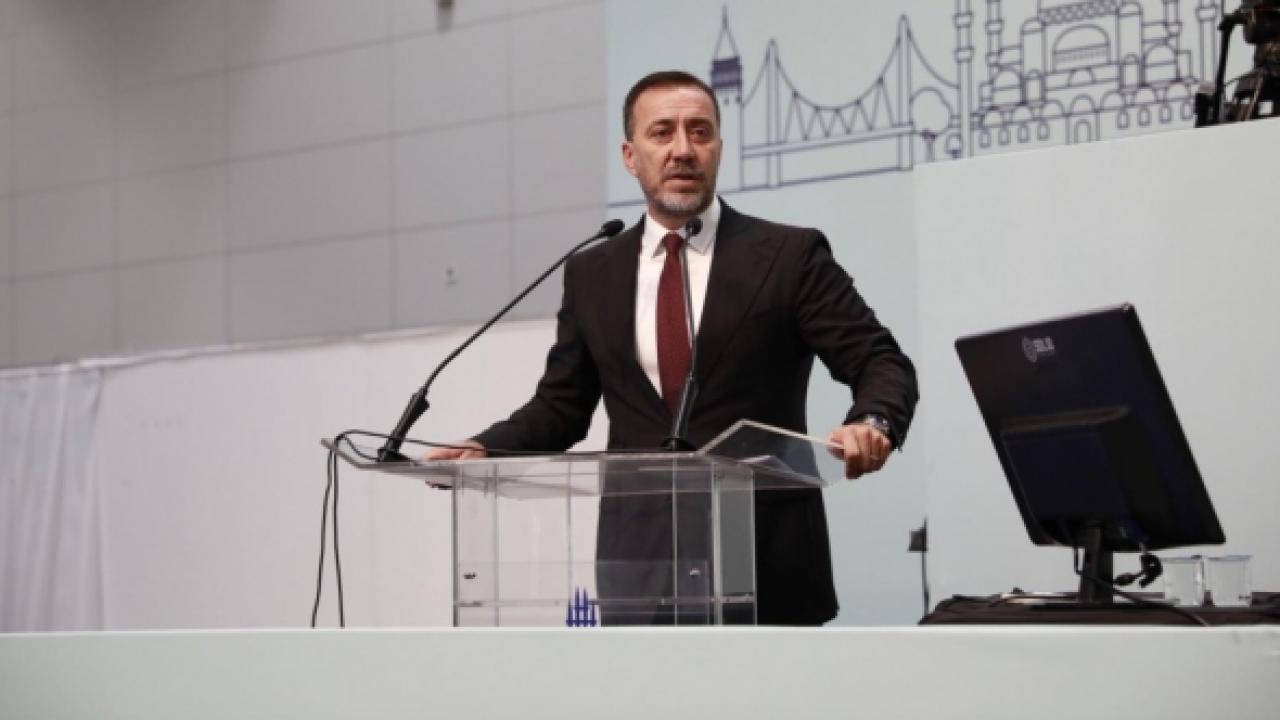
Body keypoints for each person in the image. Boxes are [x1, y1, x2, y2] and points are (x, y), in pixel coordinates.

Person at [427, 70, 918, 625]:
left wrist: (872, 421)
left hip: (768, 563)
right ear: (630, 156)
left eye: (699, 132)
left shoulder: (788, 255)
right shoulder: (593, 271)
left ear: (719, 148)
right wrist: (485, 449)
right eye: (662, 133)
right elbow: (561, 407)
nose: (683, 149)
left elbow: (881, 362)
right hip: (638, 568)